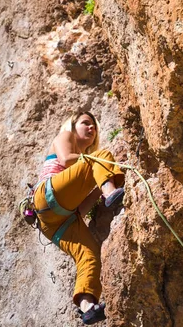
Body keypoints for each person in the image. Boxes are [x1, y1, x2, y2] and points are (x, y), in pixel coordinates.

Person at [33, 111, 125, 325]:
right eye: (86, 123)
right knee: (102, 156)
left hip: (56, 220)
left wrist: (104, 184)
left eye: (94, 126)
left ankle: (87, 306)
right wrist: (109, 184)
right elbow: (65, 160)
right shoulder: (65, 137)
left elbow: (82, 209)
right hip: (47, 196)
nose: (91, 128)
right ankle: (110, 191)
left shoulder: (87, 167)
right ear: (73, 126)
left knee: (89, 254)